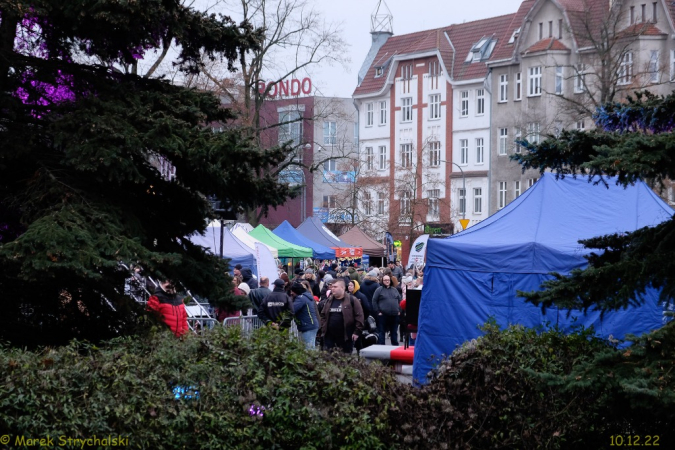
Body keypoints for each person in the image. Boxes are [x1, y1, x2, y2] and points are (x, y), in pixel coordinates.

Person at [319, 279, 364, 354]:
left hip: (346, 336)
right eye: (332, 287)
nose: (332, 289)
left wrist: (357, 332)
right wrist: (323, 328)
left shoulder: (352, 300)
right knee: (329, 359)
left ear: (343, 288)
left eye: (335, 287)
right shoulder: (329, 300)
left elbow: (359, 316)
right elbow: (323, 315)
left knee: (345, 359)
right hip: (330, 336)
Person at [372, 275, 402, 346]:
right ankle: (381, 349)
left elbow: (400, 300)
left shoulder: (394, 290)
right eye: (385, 280)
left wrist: (399, 310)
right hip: (383, 315)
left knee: (394, 332)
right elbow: (374, 301)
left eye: (388, 280)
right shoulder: (379, 290)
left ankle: (395, 348)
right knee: (381, 332)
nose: (387, 281)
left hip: (394, 315)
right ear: (382, 281)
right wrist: (377, 311)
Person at [290, 282, 320, 350]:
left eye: (292, 291)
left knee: (308, 349)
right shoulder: (306, 297)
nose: (291, 293)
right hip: (310, 325)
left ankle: (310, 360)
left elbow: (292, 310)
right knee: (310, 347)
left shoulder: (301, 299)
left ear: (296, 291)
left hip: (307, 326)